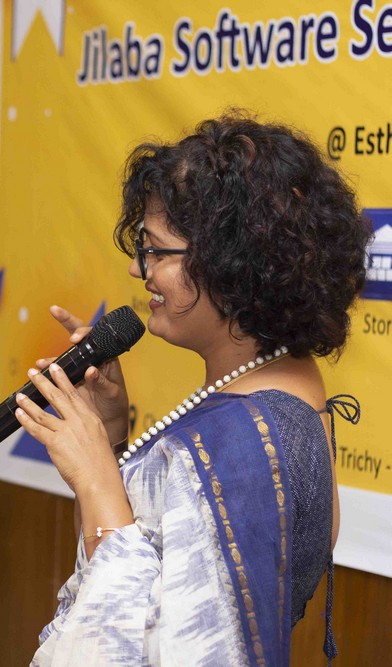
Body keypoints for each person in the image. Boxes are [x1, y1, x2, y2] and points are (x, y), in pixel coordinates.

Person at [19, 113, 371, 666]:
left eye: (157, 251)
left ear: (233, 265)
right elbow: (152, 575)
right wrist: (111, 438)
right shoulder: (283, 396)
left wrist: (95, 479)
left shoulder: (242, 443)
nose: (139, 270)